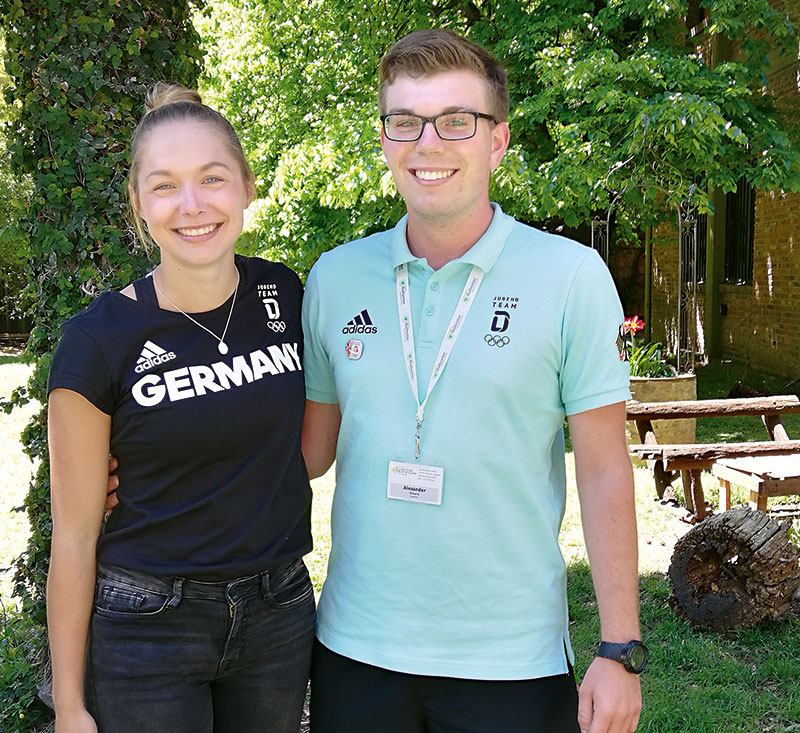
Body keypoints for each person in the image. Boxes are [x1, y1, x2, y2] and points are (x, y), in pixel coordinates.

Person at [300, 29, 644, 733]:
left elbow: (606, 471)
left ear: (498, 140)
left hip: (510, 660)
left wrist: (619, 648)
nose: (428, 143)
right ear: (385, 138)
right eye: (405, 121)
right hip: (355, 649)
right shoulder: (334, 277)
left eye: (457, 120)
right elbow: (309, 451)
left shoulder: (571, 277)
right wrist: (159, 464)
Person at [46, 83, 314, 733]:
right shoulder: (96, 339)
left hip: (278, 610)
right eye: (164, 186)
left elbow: (307, 446)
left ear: (248, 185)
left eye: (213, 178)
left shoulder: (284, 293)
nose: (192, 205)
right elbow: (76, 536)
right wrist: (72, 705)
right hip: (147, 626)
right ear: (138, 205)